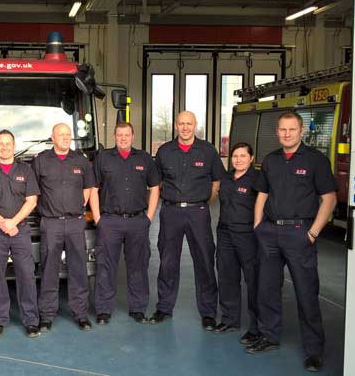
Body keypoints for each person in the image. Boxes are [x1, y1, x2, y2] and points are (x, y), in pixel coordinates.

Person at [246, 111, 337, 373]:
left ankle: (313, 351)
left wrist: (313, 233)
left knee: (306, 293)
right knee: (267, 288)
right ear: (277, 132)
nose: (287, 134)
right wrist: (258, 226)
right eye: (283, 130)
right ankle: (269, 336)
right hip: (270, 233)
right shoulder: (271, 161)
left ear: (301, 131)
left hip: (300, 234)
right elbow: (262, 194)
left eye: (292, 129)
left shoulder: (315, 160)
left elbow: (328, 198)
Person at [152, 111, 224, 330]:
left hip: (198, 212)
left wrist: (202, 204)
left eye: (189, 123)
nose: (185, 127)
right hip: (171, 212)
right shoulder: (164, 151)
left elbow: (216, 182)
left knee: (204, 261)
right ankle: (164, 307)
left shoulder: (208, 150)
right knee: (167, 261)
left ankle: (208, 313)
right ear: (176, 126)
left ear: (195, 125)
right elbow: (157, 183)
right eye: (181, 123)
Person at [89, 122, 159, 325]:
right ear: (114, 136)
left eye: (126, 135)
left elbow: (155, 187)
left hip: (138, 221)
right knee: (105, 266)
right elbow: (93, 188)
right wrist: (98, 218)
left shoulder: (144, 158)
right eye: (119, 135)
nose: (123, 138)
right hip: (109, 221)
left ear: (133, 136)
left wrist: (149, 217)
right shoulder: (103, 158)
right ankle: (103, 310)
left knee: (138, 265)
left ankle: (137, 308)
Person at [0, 130, 41, 338]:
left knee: (26, 275)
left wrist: (13, 221)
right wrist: (3, 222)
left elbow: (32, 200)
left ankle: (31, 320)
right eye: (1, 144)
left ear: (14, 146)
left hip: (20, 230)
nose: (4, 147)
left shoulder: (26, 170)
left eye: (8, 143)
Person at [32, 123, 95, 332]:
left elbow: (88, 189)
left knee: (78, 270)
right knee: (49, 270)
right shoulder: (41, 160)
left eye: (68, 135)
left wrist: (77, 207)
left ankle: (81, 314)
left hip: (76, 223)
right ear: (52, 137)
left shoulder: (81, 161)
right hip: (50, 223)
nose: (65, 138)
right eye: (61, 134)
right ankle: (47, 316)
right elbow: (33, 191)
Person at [214, 142, 260, 345]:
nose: (238, 159)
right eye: (235, 156)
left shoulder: (257, 180)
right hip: (225, 233)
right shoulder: (226, 178)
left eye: (243, 156)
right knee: (227, 277)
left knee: (254, 280)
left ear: (251, 158)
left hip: (247, 235)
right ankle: (230, 319)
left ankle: (256, 327)